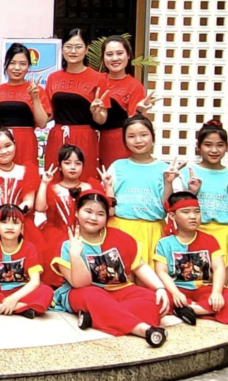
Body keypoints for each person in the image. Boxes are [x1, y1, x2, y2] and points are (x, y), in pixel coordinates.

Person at [52, 192, 169, 347]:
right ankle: (144, 330)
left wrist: (160, 288)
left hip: (120, 289)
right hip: (85, 292)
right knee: (93, 296)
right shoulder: (66, 244)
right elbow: (81, 284)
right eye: (88, 211)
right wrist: (75, 255)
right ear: (77, 212)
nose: (93, 218)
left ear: (107, 217)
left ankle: (95, 317)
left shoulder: (120, 237)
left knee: (154, 299)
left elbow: (140, 266)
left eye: (100, 214)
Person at [152, 192, 228, 324]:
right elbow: (161, 272)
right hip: (177, 289)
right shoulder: (164, 243)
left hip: (204, 289)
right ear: (172, 216)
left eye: (197, 212)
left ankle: (190, 310)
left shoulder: (210, 240)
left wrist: (217, 293)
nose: (193, 216)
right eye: (186, 212)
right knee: (154, 297)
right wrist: (175, 293)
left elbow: (219, 268)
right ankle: (209, 310)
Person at [170, 119, 228, 277]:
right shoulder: (187, 173)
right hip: (194, 232)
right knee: (192, 281)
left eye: (220, 145)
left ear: (227, 147)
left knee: (219, 285)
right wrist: (192, 192)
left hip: (226, 234)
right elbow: (175, 208)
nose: (214, 150)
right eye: (208, 145)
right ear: (198, 147)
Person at [100, 115, 168, 265]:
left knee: (151, 275)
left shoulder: (165, 169)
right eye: (131, 136)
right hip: (120, 229)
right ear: (124, 141)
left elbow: (168, 206)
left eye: (143, 135)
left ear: (153, 138)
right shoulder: (117, 167)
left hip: (153, 231)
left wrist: (168, 182)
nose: (138, 140)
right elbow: (108, 203)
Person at [35, 144, 98, 286]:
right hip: (56, 235)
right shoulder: (53, 188)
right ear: (60, 165)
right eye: (67, 163)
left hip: (86, 234)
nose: (73, 167)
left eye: (78, 163)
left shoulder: (90, 187)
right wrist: (44, 183)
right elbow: (39, 208)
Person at [44, 30, 103, 180]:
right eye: (68, 46)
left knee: (85, 180)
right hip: (58, 136)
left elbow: (101, 119)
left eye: (78, 47)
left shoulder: (98, 78)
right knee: (54, 179)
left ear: (87, 49)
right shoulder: (53, 77)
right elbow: (49, 114)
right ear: (62, 49)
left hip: (85, 136)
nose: (73, 51)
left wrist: (96, 112)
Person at [0, 43, 49, 172]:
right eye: (12, 63)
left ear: (28, 67)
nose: (17, 68)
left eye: (22, 64)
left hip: (26, 145)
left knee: (26, 179)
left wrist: (35, 98)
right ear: (6, 64)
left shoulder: (37, 90)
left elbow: (42, 123)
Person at [94, 36, 159, 168]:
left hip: (118, 143)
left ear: (128, 55)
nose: (114, 58)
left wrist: (139, 111)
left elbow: (136, 125)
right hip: (90, 139)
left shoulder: (134, 86)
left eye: (119, 53)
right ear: (103, 58)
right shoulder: (96, 80)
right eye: (109, 54)